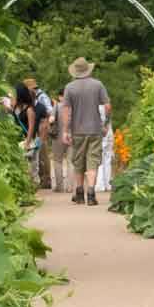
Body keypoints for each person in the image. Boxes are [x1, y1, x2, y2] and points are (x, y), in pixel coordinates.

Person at [64, 57, 112, 205]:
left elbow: (66, 110)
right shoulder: (98, 85)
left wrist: (65, 131)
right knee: (93, 160)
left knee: (78, 161)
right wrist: (106, 123)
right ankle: (91, 193)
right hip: (95, 130)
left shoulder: (69, 87)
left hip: (77, 130)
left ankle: (79, 193)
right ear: (88, 70)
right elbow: (107, 106)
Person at [51, 89, 72, 192]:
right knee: (71, 162)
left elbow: (51, 119)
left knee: (57, 161)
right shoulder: (74, 106)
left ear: (60, 97)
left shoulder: (57, 106)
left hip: (58, 137)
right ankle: (70, 187)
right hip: (72, 137)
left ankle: (60, 187)